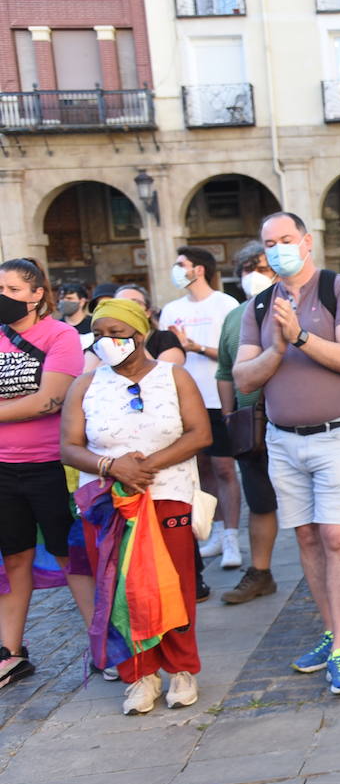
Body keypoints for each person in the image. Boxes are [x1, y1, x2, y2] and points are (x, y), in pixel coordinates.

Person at [235, 212, 340, 696]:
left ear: (307, 242)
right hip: (283, 440)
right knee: (309, 538)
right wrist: (275, 349)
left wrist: (300, 337)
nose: (277, 250)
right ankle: (337, 634)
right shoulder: (257, 307)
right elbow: (244, 379)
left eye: (286, 239)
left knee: (337, 536)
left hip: (338, 434)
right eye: (269, 243)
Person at [62, 298, 211, 714]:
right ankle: (139, 676)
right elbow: (69, 447)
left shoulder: (174, 376)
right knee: (118, 588)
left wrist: (146, 467)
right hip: (108, 503)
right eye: (100, 335)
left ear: (138, 334)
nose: (107, 342)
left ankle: (182, 669)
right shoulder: (86, 384)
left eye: (116, 333)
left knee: (174, 584)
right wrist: (112, 466)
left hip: (166, 496)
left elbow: (200, 434)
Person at [0, 259, 84, 690]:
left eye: (13, 289)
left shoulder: (60, 335)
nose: (4, 297)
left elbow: (49, 401)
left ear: (37, 295)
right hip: (3, 468)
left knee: (71, 555)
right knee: (14, 556)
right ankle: (11, 653)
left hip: (53, 464)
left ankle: (103, 642)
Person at [160, 246, 243, 571]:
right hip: (184, 401)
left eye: (181, 264)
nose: (176, 270)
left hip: (218, 397)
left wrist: (197, 347)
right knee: (203, 469)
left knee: (225, 469)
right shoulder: (171, 310)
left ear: (199, 269)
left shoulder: (226, 304)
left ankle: (234, 536)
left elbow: (235, 352)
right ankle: (218, 531)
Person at [214, 243, 280, 605]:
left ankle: (329, 565)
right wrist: (229, 415)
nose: (254, 273)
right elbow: (225, 371)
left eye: (262, 267)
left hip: (292, 418)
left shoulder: (294, 309)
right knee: (259, 500)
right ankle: (260, 571)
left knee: (313, 505)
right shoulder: (234, 317)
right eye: (247, 267)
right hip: (250, 423)